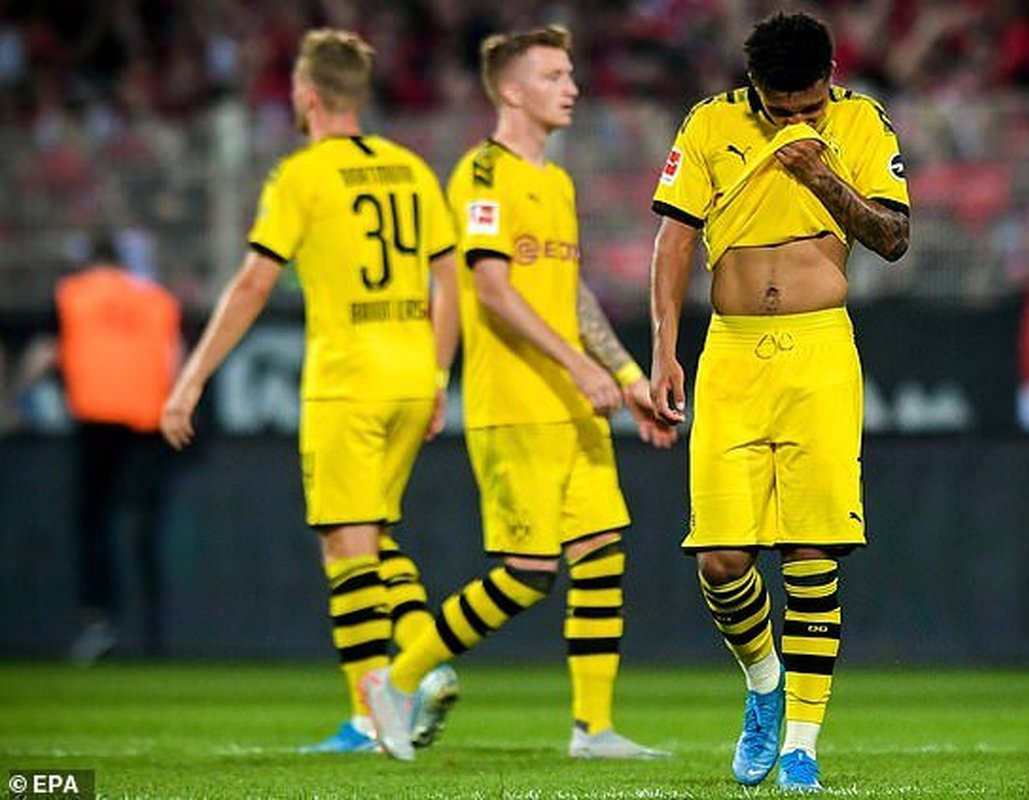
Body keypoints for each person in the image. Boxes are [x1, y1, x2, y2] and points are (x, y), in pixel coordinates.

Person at [359, 24, 676, 763]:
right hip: (516, 401)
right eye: (553, 75)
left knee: (600, 553)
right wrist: (578, 367)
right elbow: (492, 291)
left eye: (570, 73)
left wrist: (626, 376)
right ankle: (394, 683)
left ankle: (593, 729)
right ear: (510, 89)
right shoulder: (481, 174)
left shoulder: (555, 182)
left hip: (573, 403)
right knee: (528, 573)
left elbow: (572, 293)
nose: (572, 87)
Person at [159, 29, 462, 754]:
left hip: (347, 380)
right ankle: (423, 656)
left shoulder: (302, 176)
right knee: (373, 534)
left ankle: (374, 714)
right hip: (409, 373)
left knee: (345, 543)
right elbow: (449, 281)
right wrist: (436, 375)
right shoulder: (411, 168)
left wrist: (191, 377)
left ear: (307, 95)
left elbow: (253, 284)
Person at [648, 11, 911, 792]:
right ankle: (764, 682)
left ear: (831, 78)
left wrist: (819, 175)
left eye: (809, 107)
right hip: (730, 350)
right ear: (753, 87)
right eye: (779, 109)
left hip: (820, 349)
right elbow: (673, 239)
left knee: (811, 550)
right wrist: (663, 349)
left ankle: (801, 744)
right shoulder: (710, 123)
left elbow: (894, 238)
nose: (796, 121)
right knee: (721, 556)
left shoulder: (861, 122)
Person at [48, 235, 182, 665]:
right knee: (146, 526)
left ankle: (100, 620)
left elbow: (46, 351)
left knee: (94, 520)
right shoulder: (157, 300)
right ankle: (155, 629)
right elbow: (175, 359)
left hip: (96, 417)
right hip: (149, 422)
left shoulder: (72, 294)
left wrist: (14, 398)